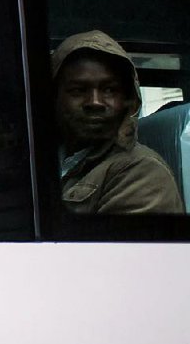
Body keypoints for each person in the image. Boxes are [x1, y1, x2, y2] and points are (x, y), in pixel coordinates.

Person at [53, 30, 183, 214]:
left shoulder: (142, 172)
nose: (95, 102)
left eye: (109, 90)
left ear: (127, 101)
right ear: (54, 98)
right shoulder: (38, 158)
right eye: (78, 90)